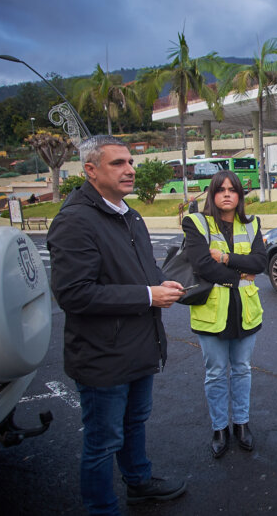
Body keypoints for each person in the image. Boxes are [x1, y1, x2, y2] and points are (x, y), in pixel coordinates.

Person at [47, 135, 187, 515]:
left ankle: (139, 482)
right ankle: (102, 507)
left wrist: (160, 284)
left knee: (135, 423)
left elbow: (139, 271)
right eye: (118, 163)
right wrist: (147, 295)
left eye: (130, 162)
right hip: (102, 356)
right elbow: (74, 295)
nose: (130, 170)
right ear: (90, 170)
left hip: (140, 346)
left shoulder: (128, 212)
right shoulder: (74, 221)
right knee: (102, 441)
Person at [182, 170, 266, 458]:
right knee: (216, 372)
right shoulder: (196, 222)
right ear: (212, 194)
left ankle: (241, 423)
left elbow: (260, 263)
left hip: (245, 311)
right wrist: (239, 276)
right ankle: (220, 428)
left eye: (233, 189)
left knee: (242, 369)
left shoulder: (253, 223)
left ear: (240, 195)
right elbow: (202, 264)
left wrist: (228, 258)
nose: (227, 194)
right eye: (220, 189)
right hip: (212, 313)